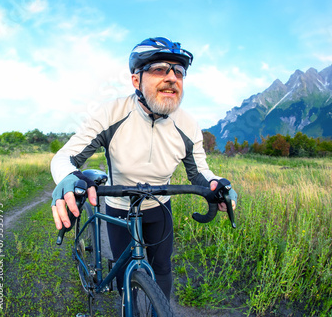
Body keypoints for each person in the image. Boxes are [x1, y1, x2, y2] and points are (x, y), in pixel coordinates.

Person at [50, 37, 237, 301]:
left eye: (179, 72)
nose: (172, 78)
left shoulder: (188, 124)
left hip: (160, 206)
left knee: (162, 267)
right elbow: (66, 156)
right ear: (136, 80)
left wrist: (217, 184)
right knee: (123, 271)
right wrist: (68, 177)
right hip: (119, 206)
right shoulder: (111, 113)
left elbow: (199, 172)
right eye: (160, 69)